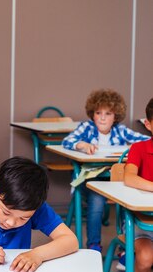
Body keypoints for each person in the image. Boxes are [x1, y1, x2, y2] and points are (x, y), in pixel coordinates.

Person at [62, 88, 149, 251]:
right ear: (92, 114)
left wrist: (134, 148)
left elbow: (146, 140)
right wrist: (82, 145)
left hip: (114, 181)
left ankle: (127, 247)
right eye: (98, 112)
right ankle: (94, 243)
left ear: (115, 116)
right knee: (97, 199)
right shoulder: (86, 127)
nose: (102, 118)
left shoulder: (120, 131)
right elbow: (68, 141)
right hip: (90, 181)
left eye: (108, 113)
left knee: (128, 198)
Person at [116, 98, 153, 272]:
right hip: (139, 223)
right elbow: (129, 178)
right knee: (146, 258)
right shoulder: (139, 148)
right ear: (149, 125)